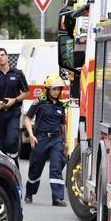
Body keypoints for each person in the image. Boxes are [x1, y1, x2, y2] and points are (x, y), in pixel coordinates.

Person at [24, 74, 68, 207]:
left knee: (56, 167)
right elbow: (27, 118)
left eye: (58, 89)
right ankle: (29, 193)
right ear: (48, 89)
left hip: (56, 139)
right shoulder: (39, 102)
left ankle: (57, 198)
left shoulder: (61, 106)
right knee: (35, 169)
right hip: (41, 139)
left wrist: (64, 142)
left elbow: (62, 125)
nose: (56, 91)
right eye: (54, 89)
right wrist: (31, 135)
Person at [0, 48, 29, 167]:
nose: (0, 57)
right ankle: (4, 169)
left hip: (14, 112)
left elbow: (26, 92)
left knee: (11, 140)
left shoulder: (18, 74)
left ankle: (14, 164)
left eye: (2, 55)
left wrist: (15, 100)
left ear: (7, 57)